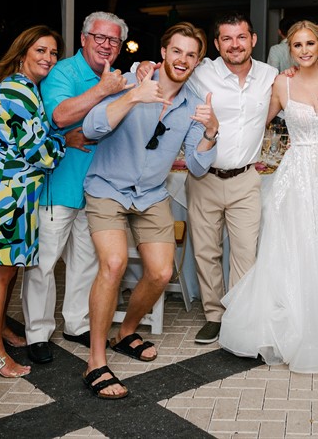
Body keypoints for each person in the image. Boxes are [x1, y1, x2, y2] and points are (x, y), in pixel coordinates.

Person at [219, 20, 318, 374]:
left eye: (310, 44)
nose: (303, 51)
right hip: (298, 172)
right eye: (297, 45)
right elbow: (256, 122)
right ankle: (296, 327)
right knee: (299, 247)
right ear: (290, 48)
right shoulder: (281, 83)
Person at [80, 22, 218, 400]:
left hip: (151, 194)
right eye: (177, 51)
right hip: (107, 186)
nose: (183, 60)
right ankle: (95, 360)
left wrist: (210, 132)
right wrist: (134, 96)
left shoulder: (194, 104)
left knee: (160, 272)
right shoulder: (129, 80)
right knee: (113, 264)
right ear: (163, 52)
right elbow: (92, 128)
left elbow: (199, 165)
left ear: (197, 61)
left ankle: (126, 331)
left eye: (191, 54)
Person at [0, 26, 71, 379]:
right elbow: (41, 153)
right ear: (22, 54)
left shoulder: (22, 89)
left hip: (8, 190)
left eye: (52, 53)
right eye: (41, 51)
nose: (48, 58)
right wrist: (66, 141)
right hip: (6, 193)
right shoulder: (19, 90)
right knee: (1, 273)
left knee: (6, 269)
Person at [21, 12, 132, 365]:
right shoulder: (63, 72)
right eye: (99, 37)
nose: (106, 45)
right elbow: (59, 117)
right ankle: (37, 333)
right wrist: (103, 89)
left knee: (86, 262)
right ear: (83, 38)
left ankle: (76, 323)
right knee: (45, 262)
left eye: (113, 40)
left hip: (98, 188)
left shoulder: (117, 76)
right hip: (61, 183)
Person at [185, 13, 278, 345]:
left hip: (246, 179)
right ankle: (214, 315)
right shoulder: (199, 74)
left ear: (253, 39)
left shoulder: (271, 76)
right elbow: (166, 74)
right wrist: (143, 67)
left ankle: (239, 316)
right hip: (204, 177)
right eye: (227, 38)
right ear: (217, 44)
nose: (235, 44)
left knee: (245, 253)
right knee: (206, 251)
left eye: (241, 37)